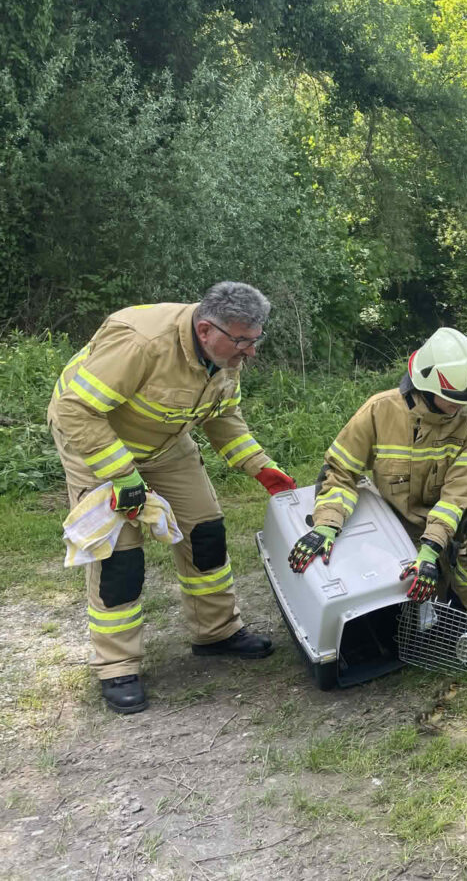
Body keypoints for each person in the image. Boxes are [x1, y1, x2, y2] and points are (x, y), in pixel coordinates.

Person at [48, 282, 297, 715]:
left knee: (206, 531)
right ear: (205, 330)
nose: (249, 353)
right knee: (120, 559)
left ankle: (216, 632)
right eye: (242, 342)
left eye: (255, 341)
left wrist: (260, 465)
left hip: (166, 444)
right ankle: (116, 665)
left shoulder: (224, 354)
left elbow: (222, 416)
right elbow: (76, 409)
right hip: (96, 444)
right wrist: (122, 475)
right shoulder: (142, 342)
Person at [288, 328, 467, 669]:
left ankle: (462, 618)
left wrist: (432, 548)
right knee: (400, 607)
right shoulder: (379, 411)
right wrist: (327, 524)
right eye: (455, 400)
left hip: (458, 507)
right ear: (426, 385)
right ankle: (433, 604)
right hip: (397, 513)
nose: (462, 409)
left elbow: (458, 492)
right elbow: (340, 473)